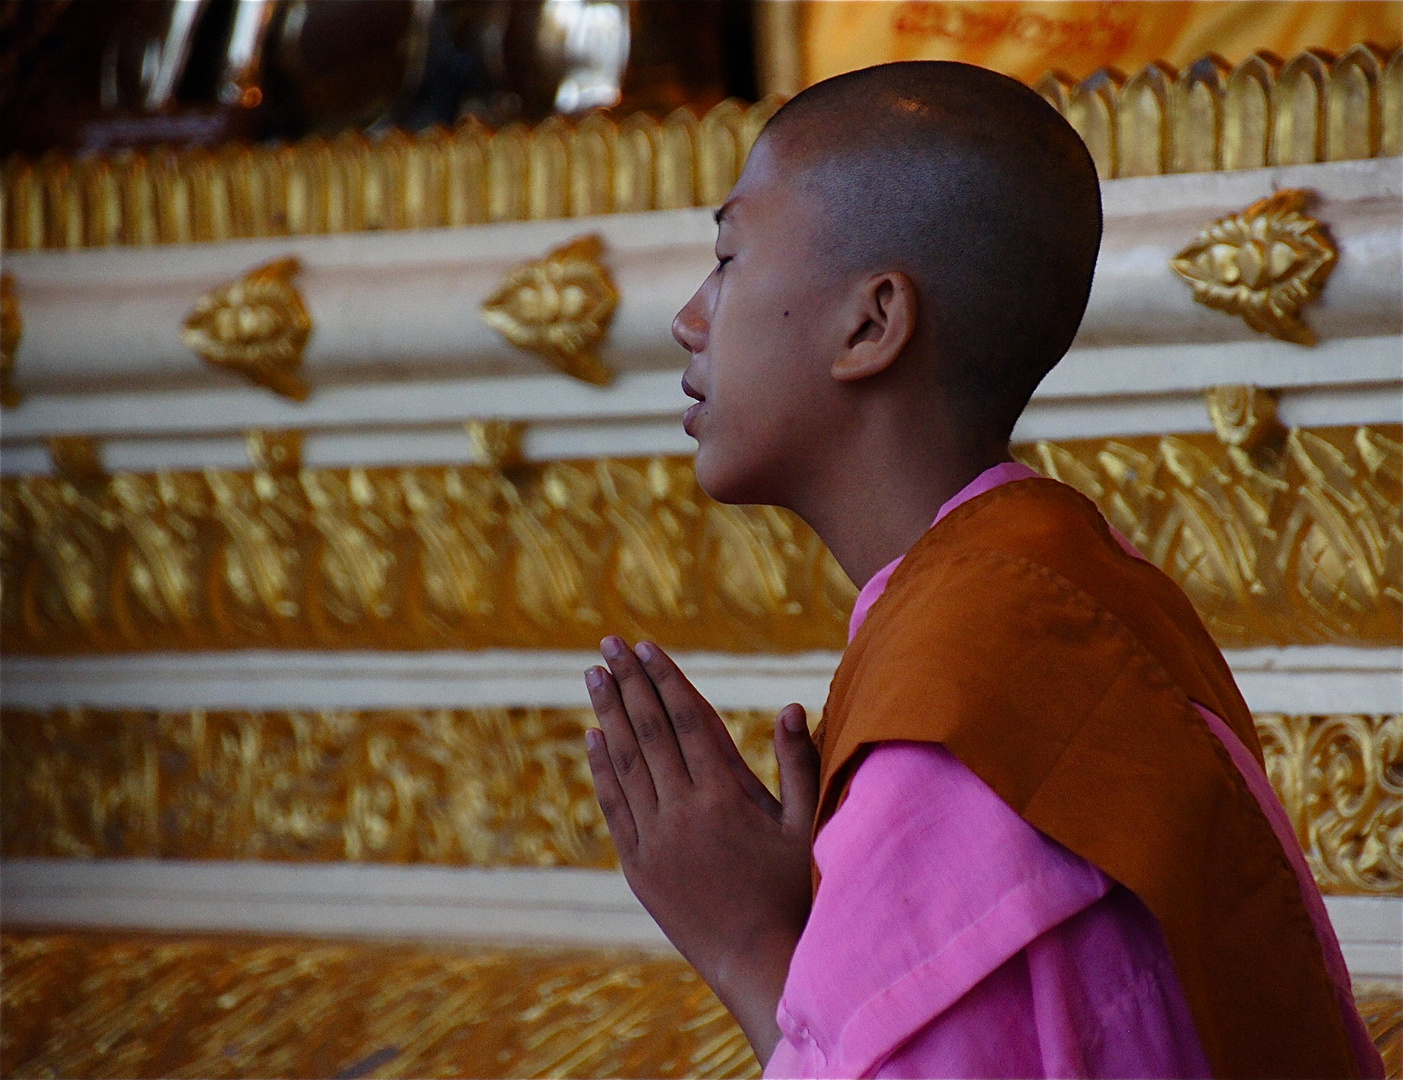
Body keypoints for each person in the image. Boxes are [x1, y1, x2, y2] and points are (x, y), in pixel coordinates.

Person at [580, 61, 1383, 1079]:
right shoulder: (1069, 598)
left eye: (728, 257)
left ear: (871, 324)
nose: (689, 319)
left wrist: (746, 946)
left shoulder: (962, 714)